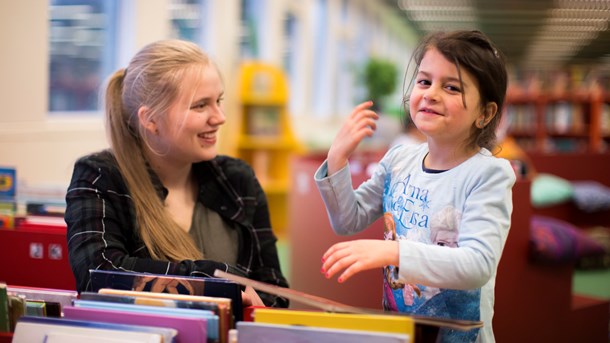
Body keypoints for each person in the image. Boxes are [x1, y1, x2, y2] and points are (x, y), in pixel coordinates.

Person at [315, 30, 516, 342]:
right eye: (424, 81)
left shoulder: (489, 174)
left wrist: (393, 251)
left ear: (485, 113)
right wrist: (337, 158)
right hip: (400, 333)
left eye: (451, 87)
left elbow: (477, 264)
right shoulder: (400, 159)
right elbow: (347, 219)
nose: (431, 93)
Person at [64, 39, 289, 308]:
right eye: (200, 105)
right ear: (151, 120)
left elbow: (276, 290)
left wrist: (262, 302)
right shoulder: (100, 176)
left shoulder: (238, 180)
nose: (219, 117)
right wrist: (216, 282)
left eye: (218, 101)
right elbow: (98, 277)